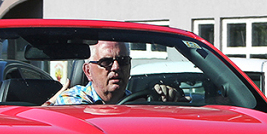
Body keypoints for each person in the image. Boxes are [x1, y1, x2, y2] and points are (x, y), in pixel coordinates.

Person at [48, 41, 183, 105]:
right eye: (106, 62)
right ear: (88, 71)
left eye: (123, 60)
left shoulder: (139, 102)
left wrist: (165, 102)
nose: (116, 67)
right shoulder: (73, 99)